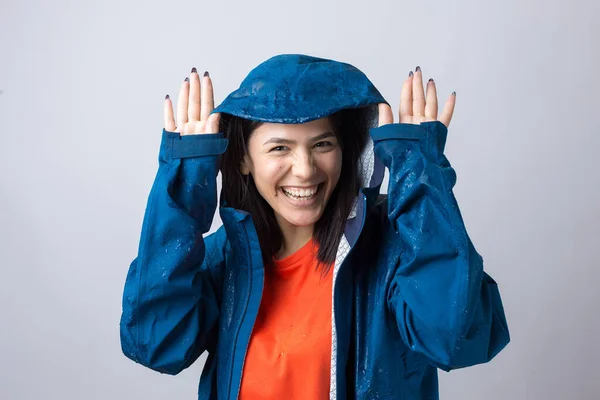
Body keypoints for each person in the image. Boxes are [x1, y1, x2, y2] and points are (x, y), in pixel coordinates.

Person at [119, 54, 510, 399]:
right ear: (243, 160)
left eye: (323, 144)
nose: (305, 170)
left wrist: (420, 174)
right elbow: (157, 344)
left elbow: (457, 339)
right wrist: (186, 183)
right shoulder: (226, 259)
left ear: (349, 153)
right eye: (279, 148)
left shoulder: (396, 251)